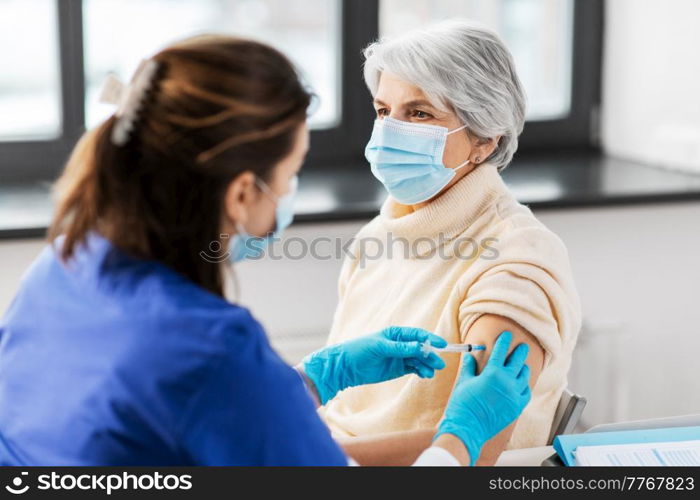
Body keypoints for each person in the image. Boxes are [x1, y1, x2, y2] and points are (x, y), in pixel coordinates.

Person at [0, 35, 531, 466]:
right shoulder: (210, 348)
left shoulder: (63, 267)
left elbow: (182, 418)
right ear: (240, 194)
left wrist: (309, 381)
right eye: (292, 173)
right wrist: (459, 441)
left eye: (418, 113)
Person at [319, 19, 582, 465]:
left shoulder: (516, 261)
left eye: (419, 113)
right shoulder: (377, 238)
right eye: (384, 111)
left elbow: (478, 451)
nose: (389, 131)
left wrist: (301, 455)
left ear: (483, 139)